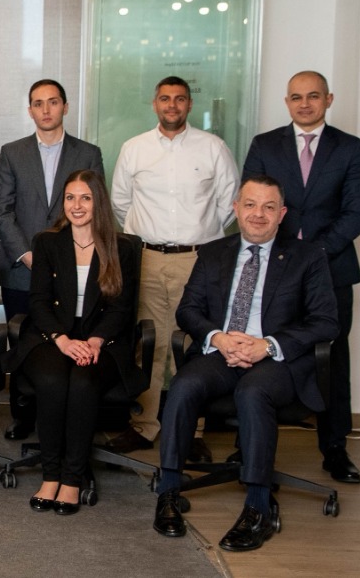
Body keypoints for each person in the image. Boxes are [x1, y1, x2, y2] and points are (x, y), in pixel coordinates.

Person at [153, 175, 337, 553]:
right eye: (250, 204)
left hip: (275, 360)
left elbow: (326, 321)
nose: (258, 214)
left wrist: (267, 345)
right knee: (183, 386)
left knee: (253, 392)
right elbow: (188, 310)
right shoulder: (213, 253)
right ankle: (169, 491)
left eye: (269, 207)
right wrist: (218, 338)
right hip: (222, 351)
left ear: (281, 214)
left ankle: (258, 507)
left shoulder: (307, 256)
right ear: (236, 209)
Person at [241, 70, 360, 485]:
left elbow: (356, 213)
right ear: (287, 102)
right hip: (271, 268)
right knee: (260, 347)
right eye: (296, 97)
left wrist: (313, 255)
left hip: (331, 270)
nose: (305, 104)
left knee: (331, 360)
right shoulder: (265, 145)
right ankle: (248, 445)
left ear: (328, 100)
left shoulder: (350, 148)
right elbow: (253, 205)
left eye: (313, 96)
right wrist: (287, 254)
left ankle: (335, 448)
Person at [108, 75, 237, 455]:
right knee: (148, 343)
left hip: (198, 260)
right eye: (165, 99)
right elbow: (120, 203)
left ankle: (192, 432)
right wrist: (150, 235)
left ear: (189, 105)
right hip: (147, 258)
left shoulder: (213, 148)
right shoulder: (134, 149)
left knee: (193, 343)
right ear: (155, 104)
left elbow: (228, 204)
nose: (172, 105)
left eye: (179, 99)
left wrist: (197, 234)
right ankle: (143, 425)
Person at [8, 170, 143, 515]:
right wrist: (63, 340)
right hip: (52, 334)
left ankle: (72, 478)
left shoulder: (122, 247)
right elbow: (39, 301)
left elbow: (122, 308)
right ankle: (50, 474)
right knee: (52, 380)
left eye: (85, 197)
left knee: (83, 383)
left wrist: (95, 341)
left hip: (103, 337)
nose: (77, 205)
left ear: (99, 202)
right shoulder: (47, 242)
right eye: (70, 198)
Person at [0, 79, 105, 440]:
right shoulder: (12, 152)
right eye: (38, 103)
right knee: (24, 342)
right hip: (22, 269)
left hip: (75, 269)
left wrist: (63, 262)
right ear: (30, 110)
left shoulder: (88, 153)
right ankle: (22, 415)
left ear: (65, 107)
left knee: (67, 339)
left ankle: (64, 415)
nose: (46, 109)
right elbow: (3, 210)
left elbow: (95, 209)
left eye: (53, 102)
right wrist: (29, 256)